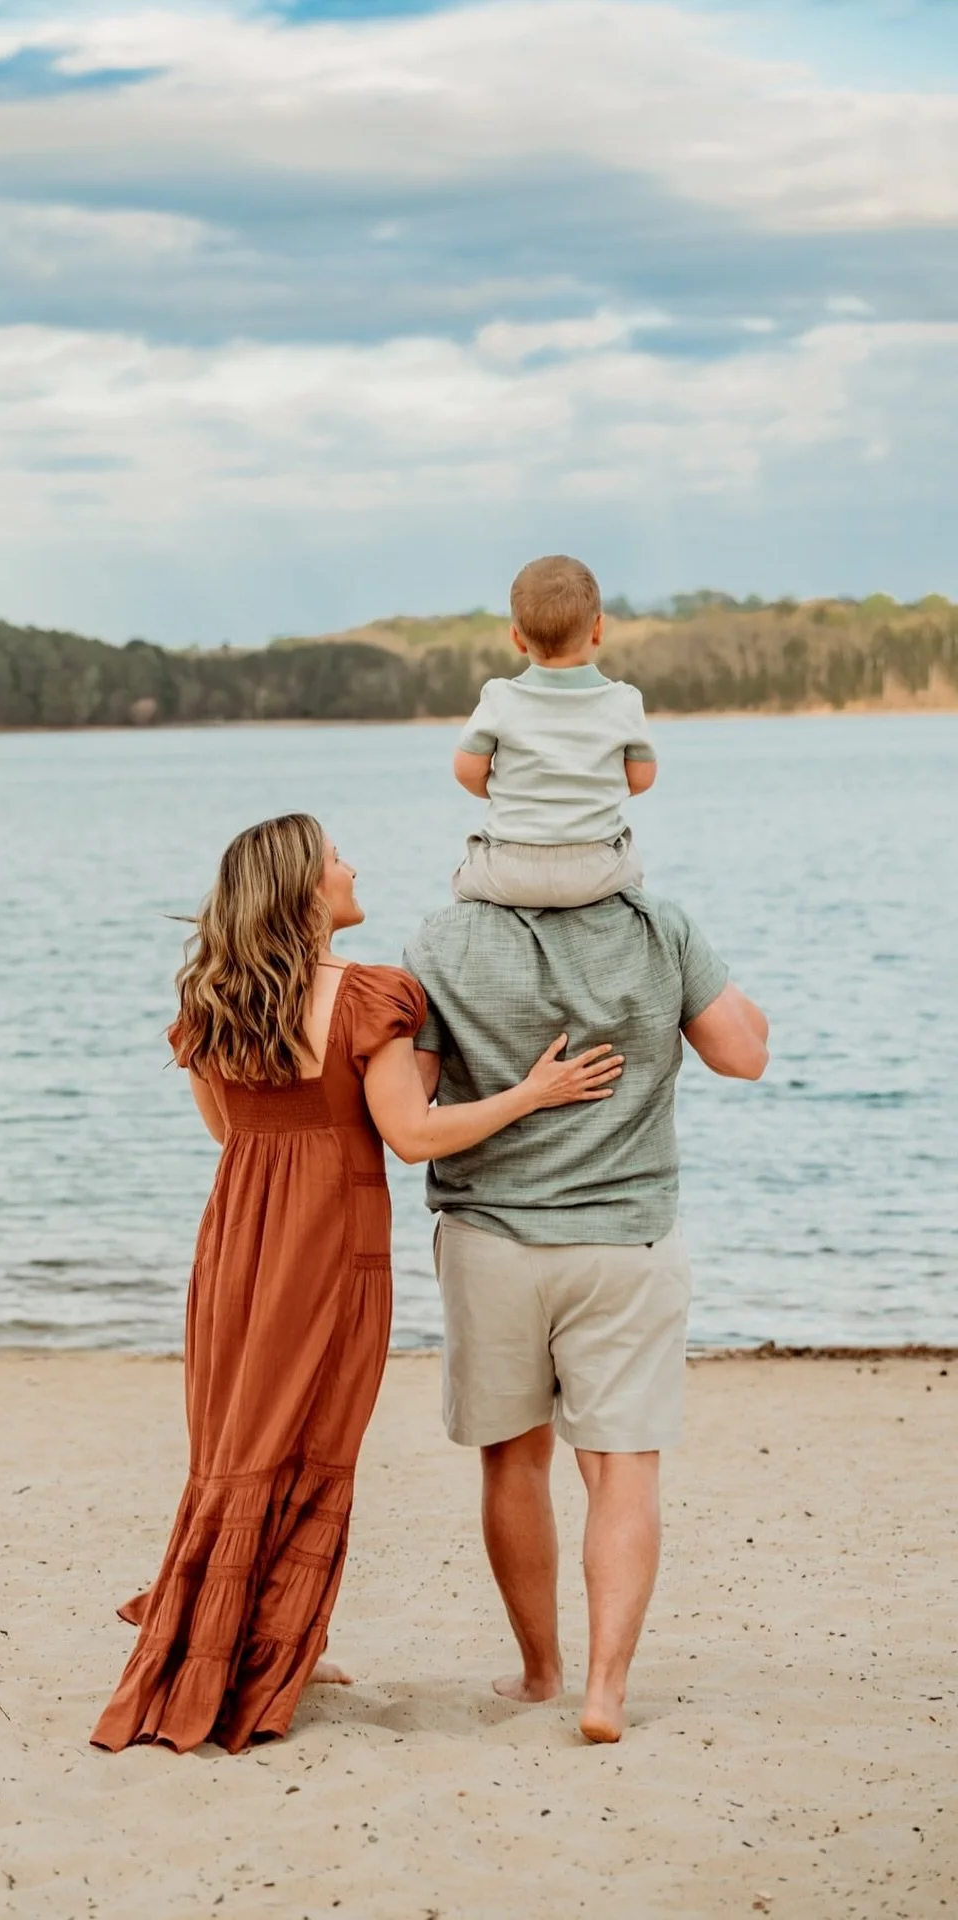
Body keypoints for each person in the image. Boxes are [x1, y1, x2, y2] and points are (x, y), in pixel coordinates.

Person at [92, 813, 624, 1755]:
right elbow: (413, 1137)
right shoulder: (370, 997)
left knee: (239, 1432)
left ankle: (274, 1638)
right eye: (338, 859)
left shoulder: (214, 1001)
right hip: (333, 1240)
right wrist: (532, 1096)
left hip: (237, 1243)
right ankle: (271, 1647)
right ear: (305, 890)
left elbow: (229, 1133)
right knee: (317, 1434)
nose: (353, 868)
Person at [404, 876, 769, 1744]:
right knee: (623, 1467)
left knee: (513, 1460)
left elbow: (406, 1108)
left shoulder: (442, 941)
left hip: (492, 1239)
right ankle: (605, 1693)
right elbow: (745, 1053)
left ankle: (540, 1673)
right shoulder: (660, 928)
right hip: (626, 1243)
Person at [451, 554, 656, 910]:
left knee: (464, 874)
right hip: (596, 872)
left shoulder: (498, 697)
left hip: (510, 871)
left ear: (516, 638)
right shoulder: (624, 701)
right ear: (598, 629)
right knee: (632, 863)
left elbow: (466, 770)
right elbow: (642, 778)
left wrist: (510, 790)